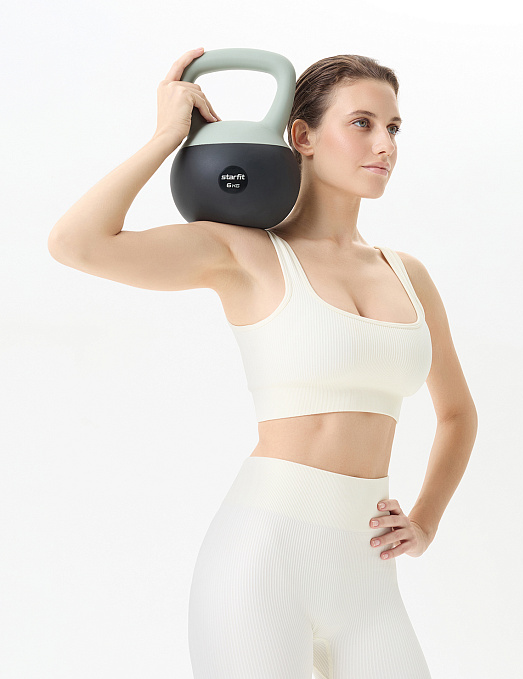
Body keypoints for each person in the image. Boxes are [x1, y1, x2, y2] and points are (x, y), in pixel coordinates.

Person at [48, 47, 478, 679]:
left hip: (368, 576)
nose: (385, 144)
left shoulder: (407, 274)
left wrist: (425, 522)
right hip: (262, 559)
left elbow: (458, 413)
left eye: (393, 128)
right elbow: (75, 243)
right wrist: (166, 137)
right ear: (302, 137)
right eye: (361, 123)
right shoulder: (243, 252)